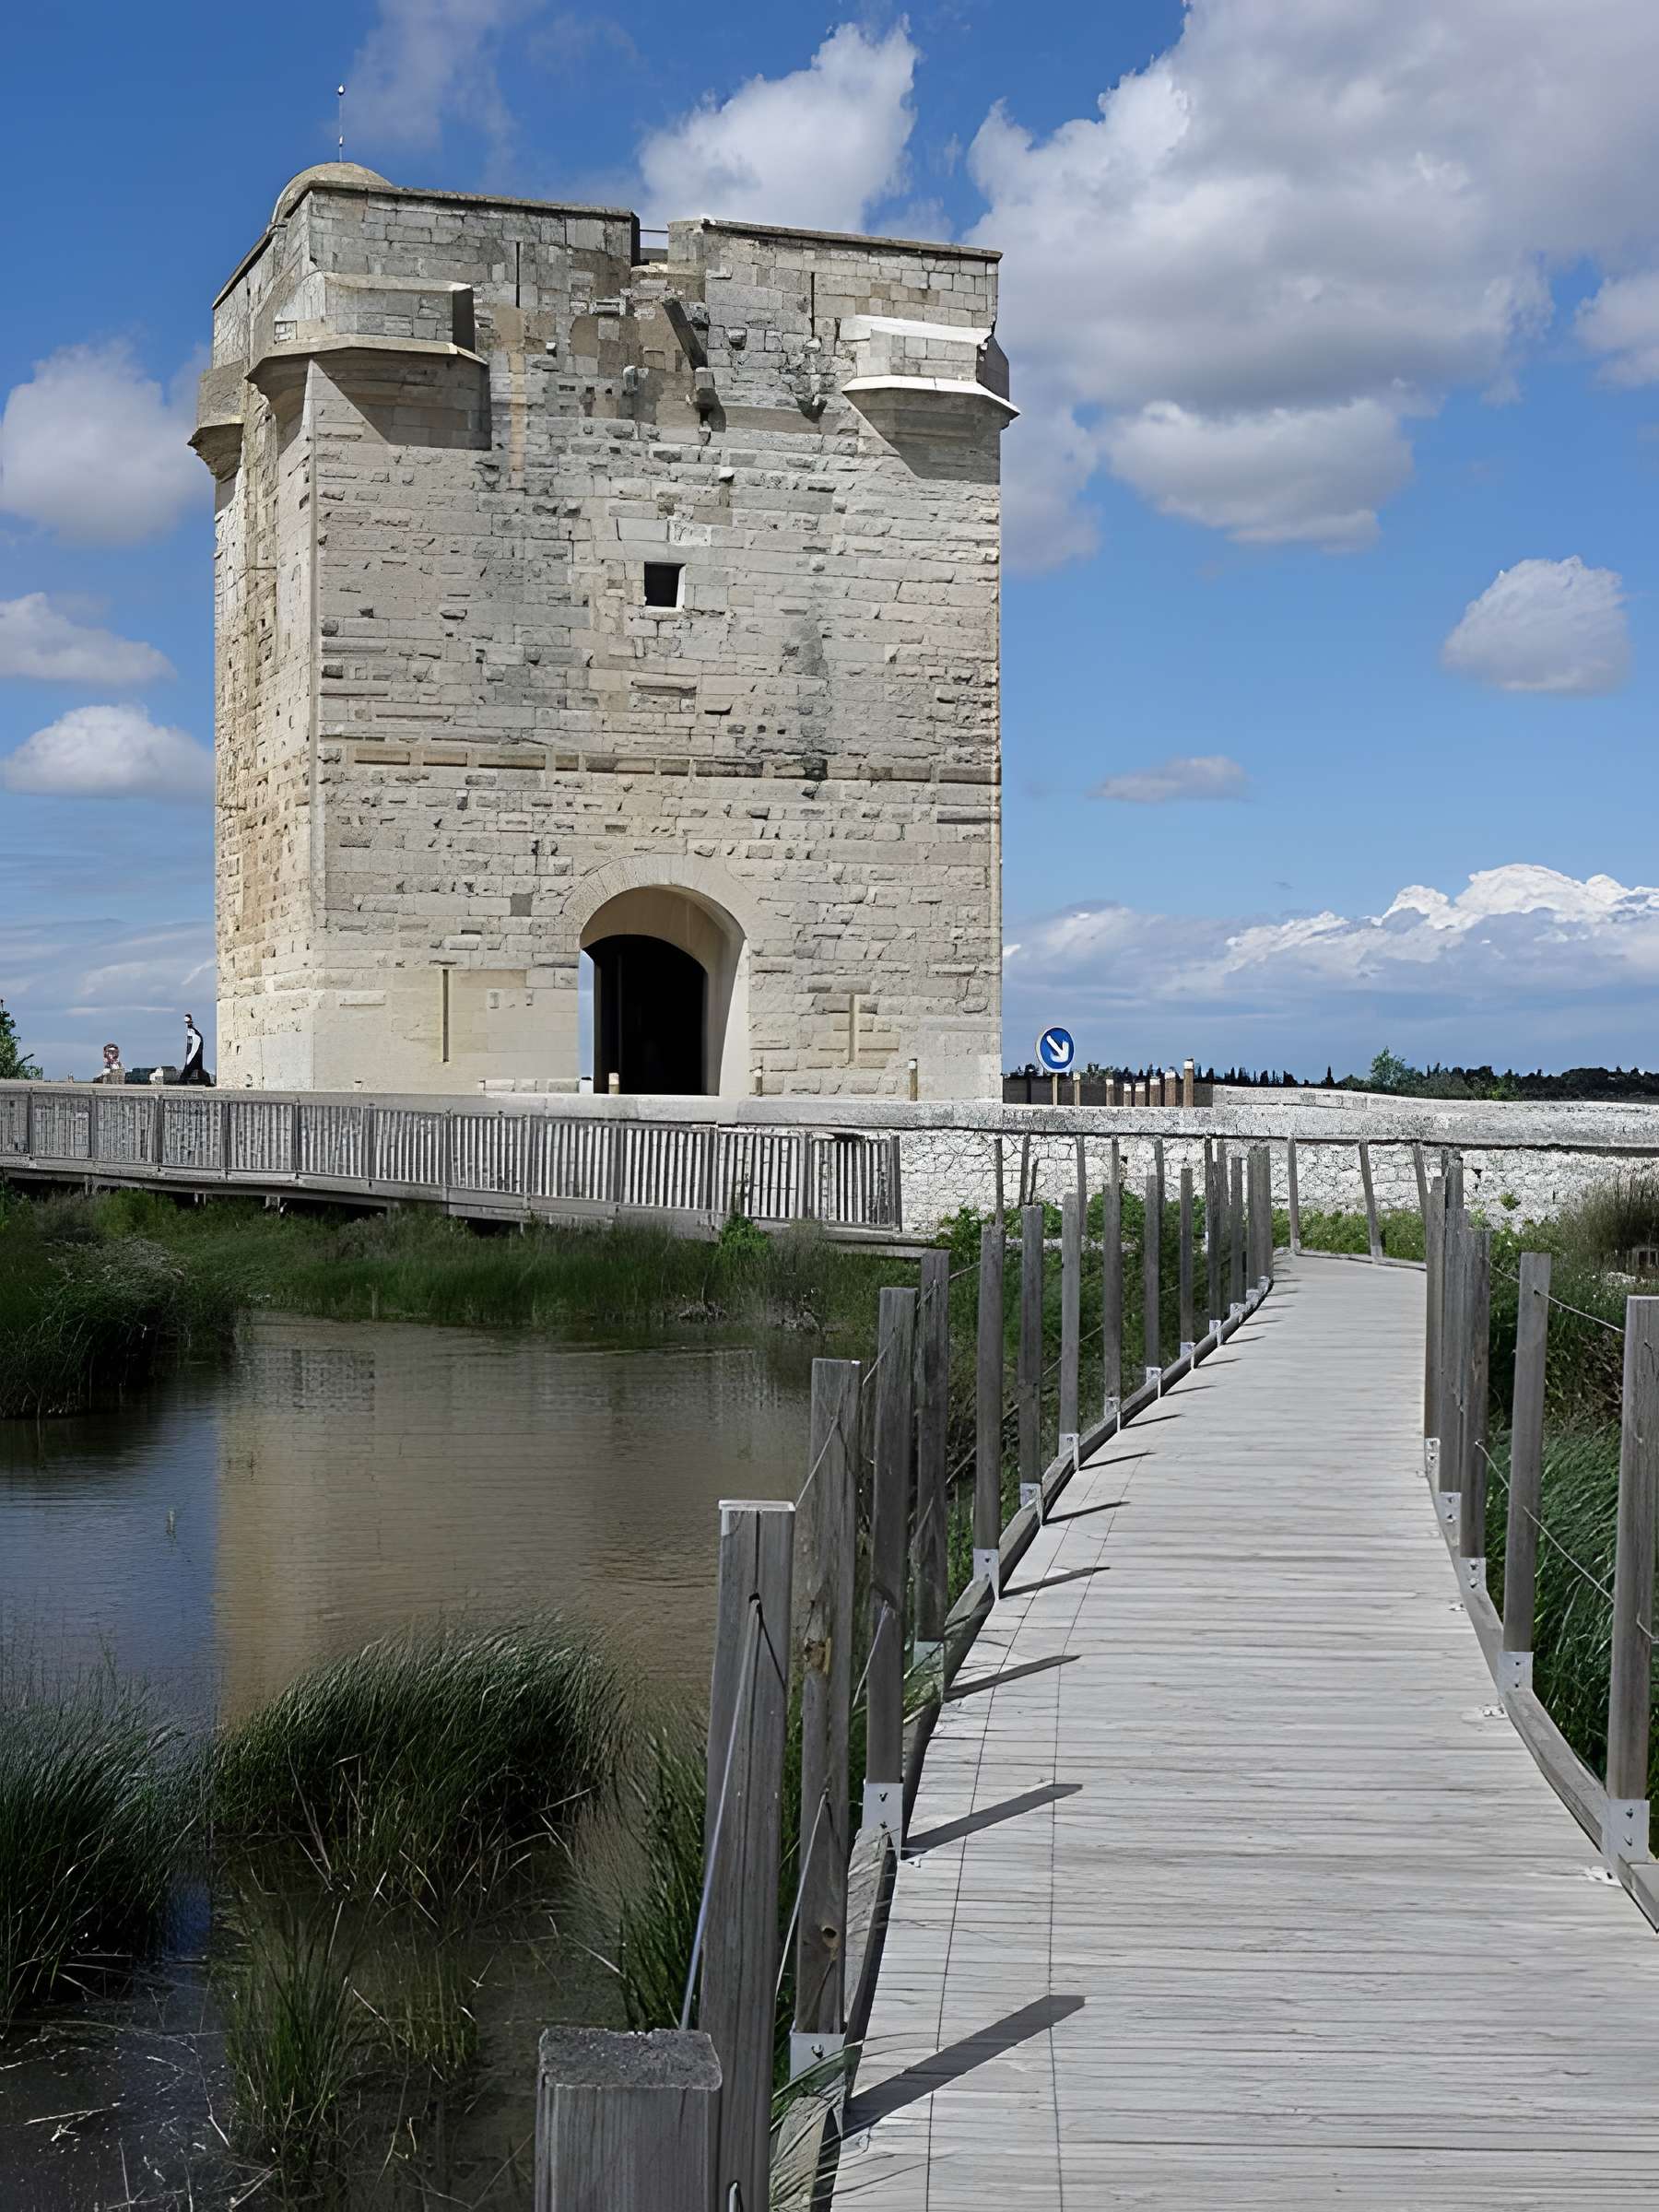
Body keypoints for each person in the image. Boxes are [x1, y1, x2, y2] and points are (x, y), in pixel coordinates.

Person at [179, 1015, 211, 1088]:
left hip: (194, 1051)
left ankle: (186, 1079)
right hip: (192, 1050)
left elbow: (197, 1040)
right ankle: (186, 1079)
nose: (187, 1024)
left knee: (191, 1066)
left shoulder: (192, 1031)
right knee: (192, 1066)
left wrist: (191, 1051)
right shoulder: (191, 1031)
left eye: (188, 1022)